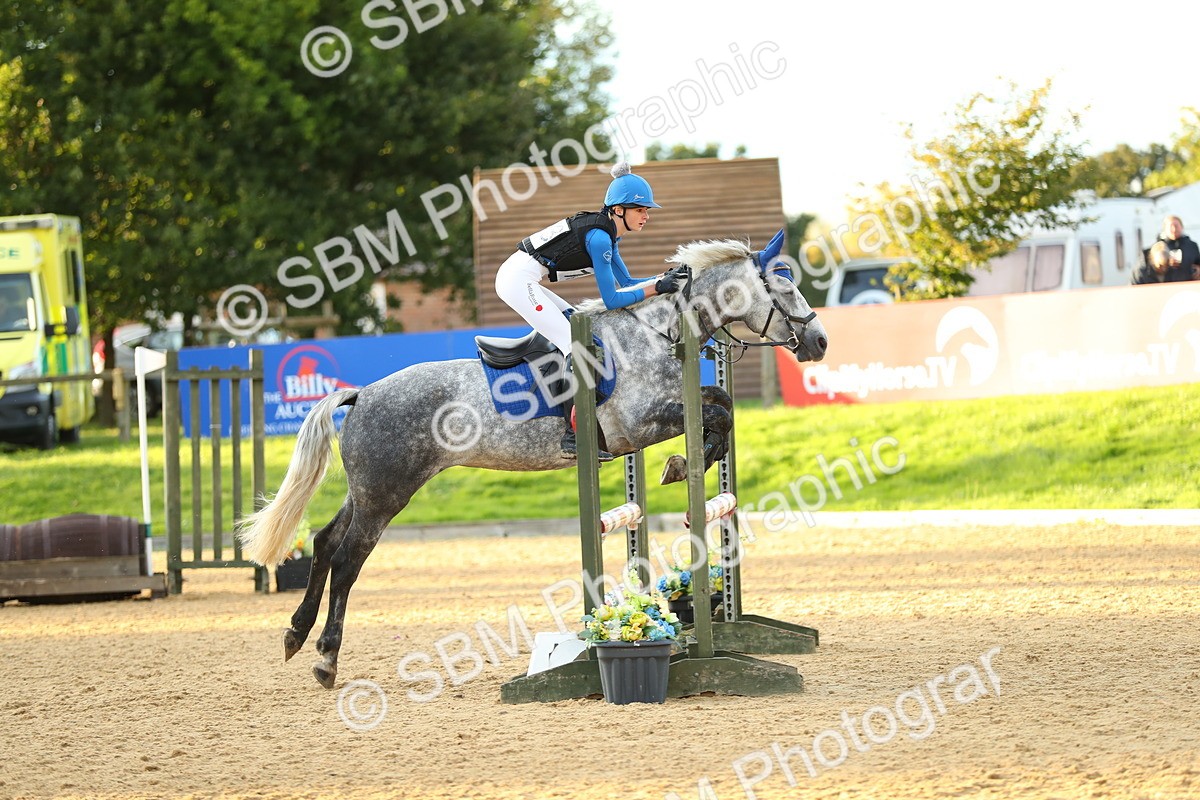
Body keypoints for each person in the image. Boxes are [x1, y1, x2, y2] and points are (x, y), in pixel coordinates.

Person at [494, 162, 684, 461]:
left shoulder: (608, 234)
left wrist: (664, 278)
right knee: (577, 345)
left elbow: (629, 283)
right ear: (618, 209)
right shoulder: (599, 238)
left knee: (583, 328)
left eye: (647, 210)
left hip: (524, 277)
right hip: (517, 280)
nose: (646, 216)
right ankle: (574, 437)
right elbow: (612, 299)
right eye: (640, 209)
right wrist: (658, 287)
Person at [1133, 215, 1200, 284]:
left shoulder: (1191, 245)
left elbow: (1197, 261)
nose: (1174, 229)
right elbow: (1149, 270)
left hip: (1188, 285)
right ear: (1165, 229)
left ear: (1182, 227)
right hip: (1166, 286)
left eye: (1176, 226)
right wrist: (1166, 263)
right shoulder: (1159, 247)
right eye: (1171, 226)